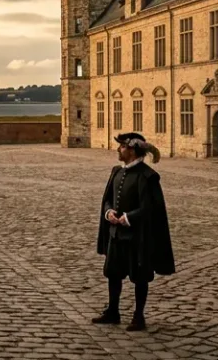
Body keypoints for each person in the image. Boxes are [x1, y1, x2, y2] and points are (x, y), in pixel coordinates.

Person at [91, 132, 175, 331]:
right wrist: (109, 212)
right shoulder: (116, 172)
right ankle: (113, 311)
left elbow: (150, 207)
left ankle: (139, 316)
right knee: (113, 273)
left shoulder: (147, 176)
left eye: (122, 147)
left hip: (137, 236)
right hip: (116, 234)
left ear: (132, 150)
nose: (118, 150)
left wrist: (128, 218)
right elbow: (108, 199)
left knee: (140, 276)